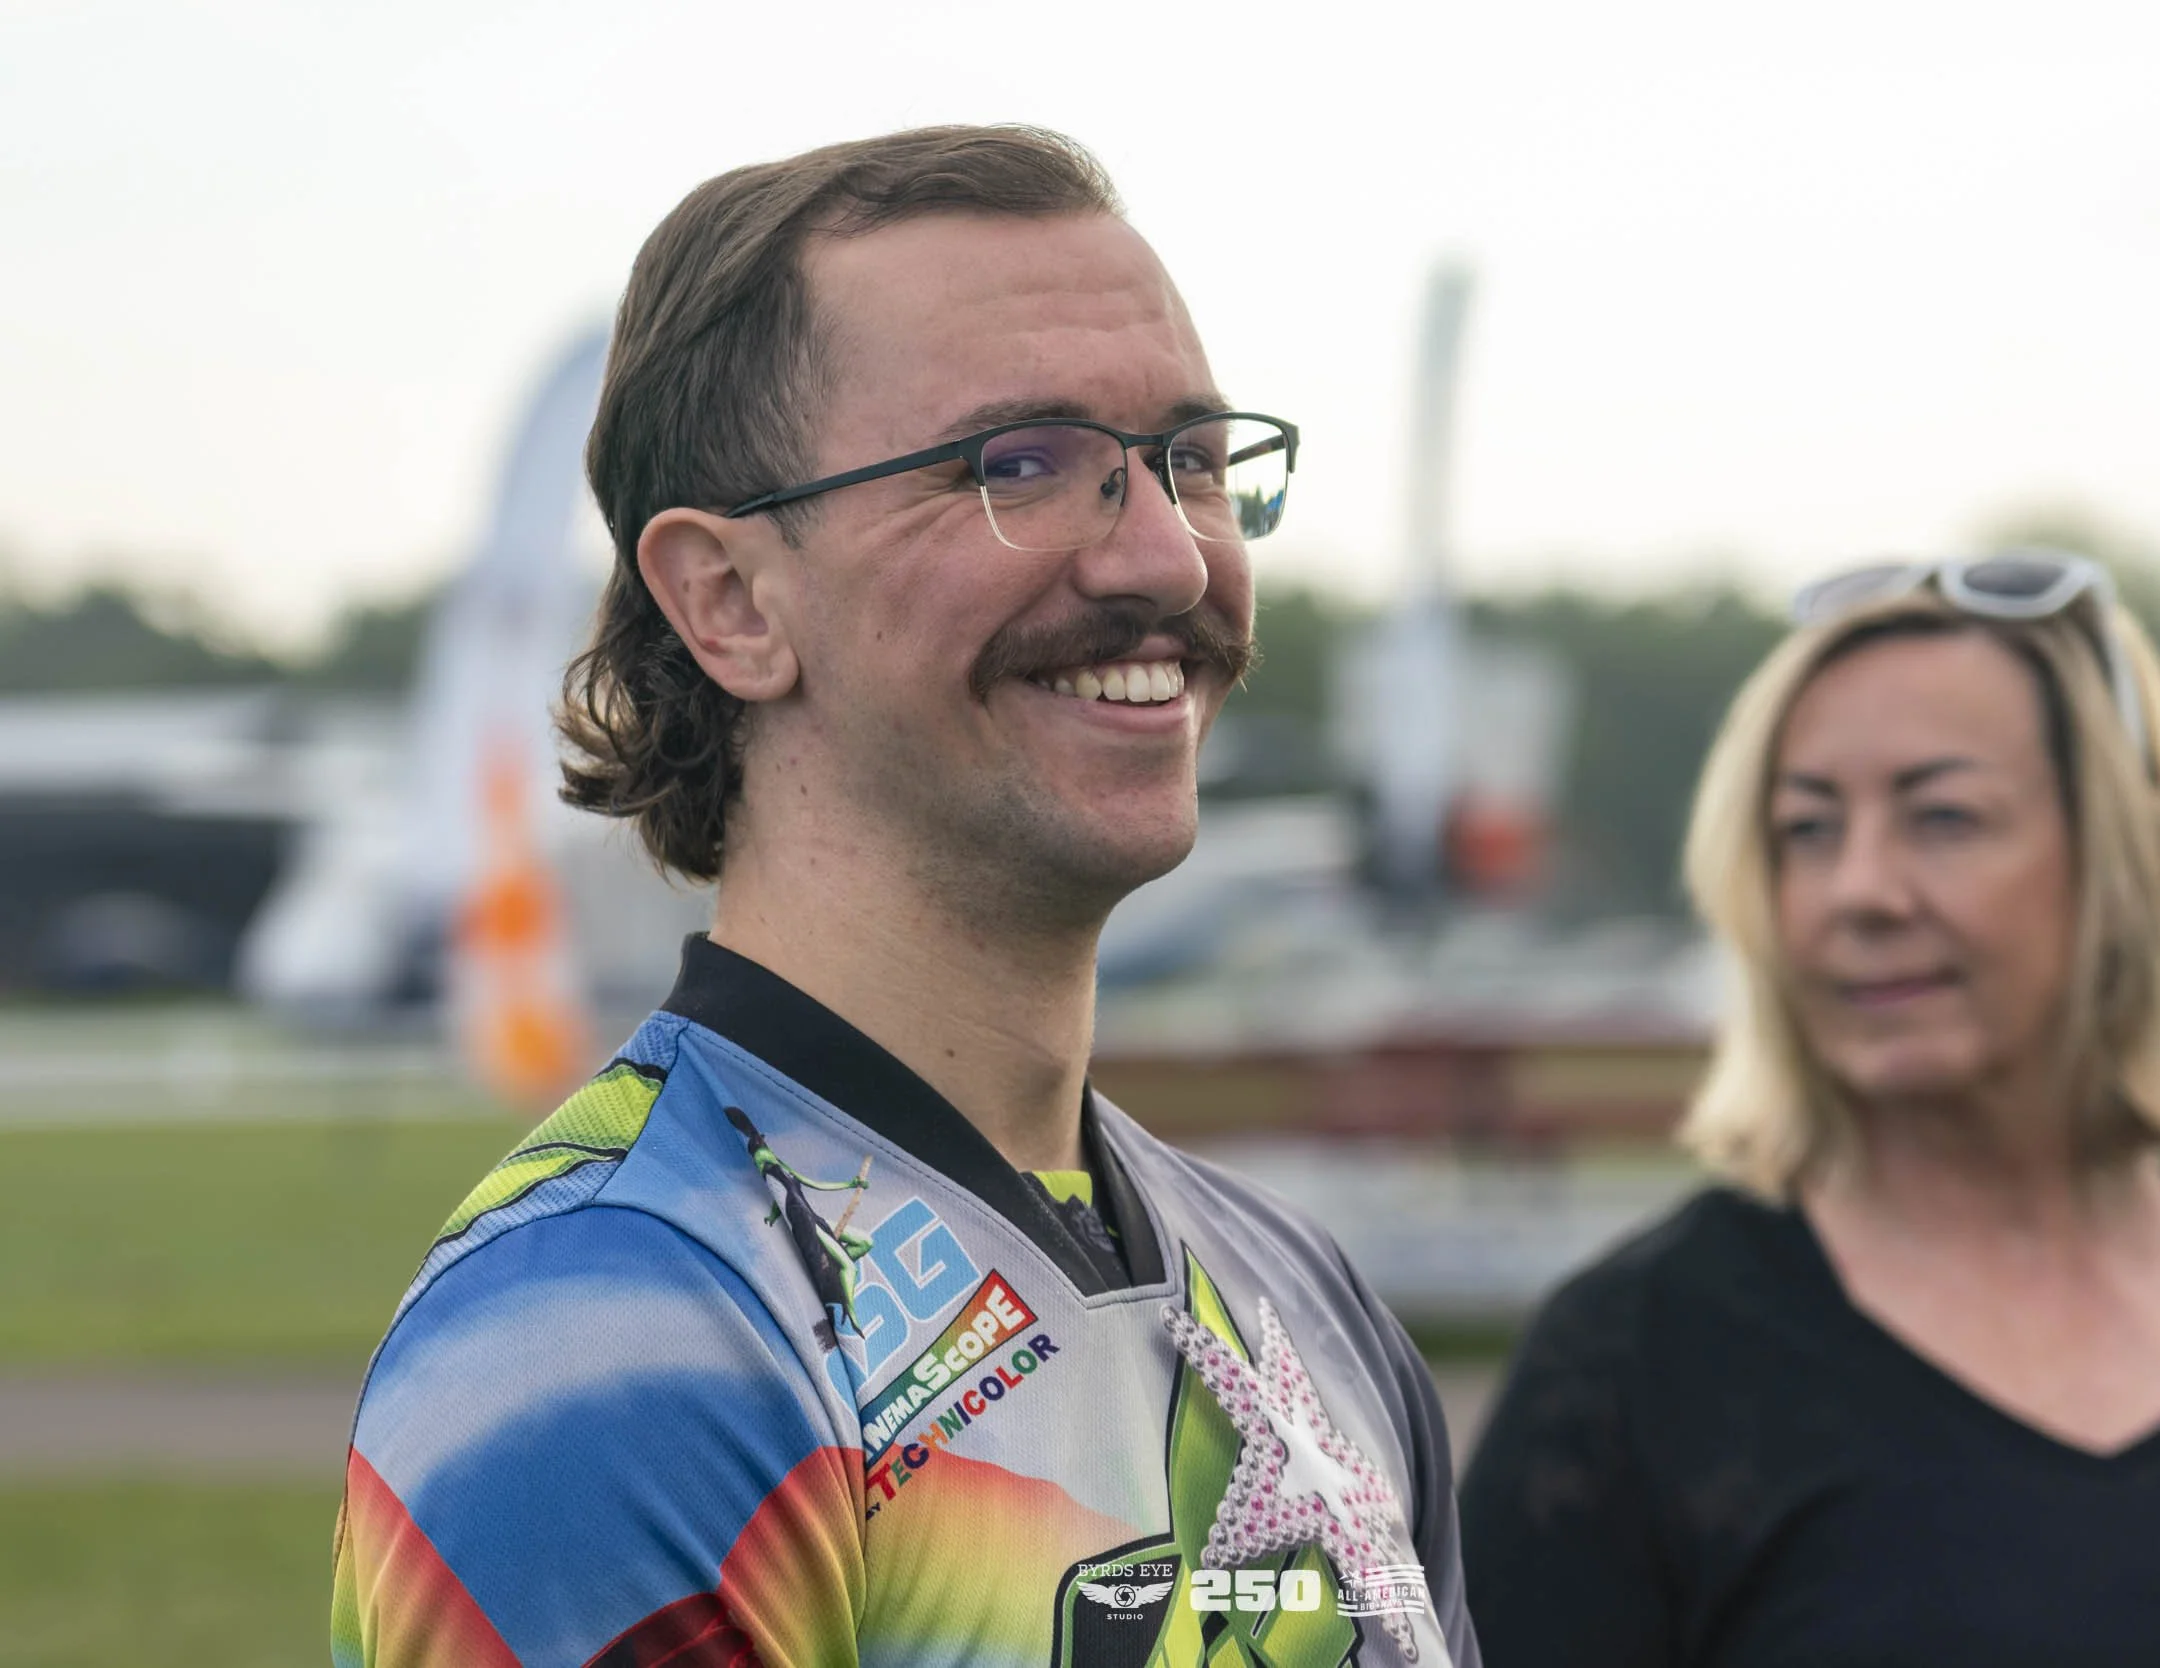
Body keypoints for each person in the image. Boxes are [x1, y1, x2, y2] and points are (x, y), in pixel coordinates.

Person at [330, 126, 1477, 1668]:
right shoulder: (610, 1332)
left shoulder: (1299, 1298)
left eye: (1193, 463)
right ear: (731, 602)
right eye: (1020, 466)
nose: (1167, 560)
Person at [1459, 550, 2160, 1666]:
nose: (1860, 889)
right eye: (1807, 828)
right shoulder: (1631, 1364)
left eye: (1942, 817)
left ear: (2124, 858)